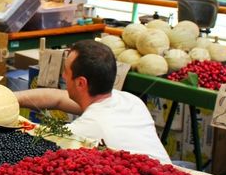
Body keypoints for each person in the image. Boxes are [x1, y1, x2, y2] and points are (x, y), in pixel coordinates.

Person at [14, 41, 170, 162]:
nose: (62, 76)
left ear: (81, 83)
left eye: (66, 71)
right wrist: (11, 97)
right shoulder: (130, 100)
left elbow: (34, 141)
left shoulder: (83, 132)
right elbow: (57, 98)